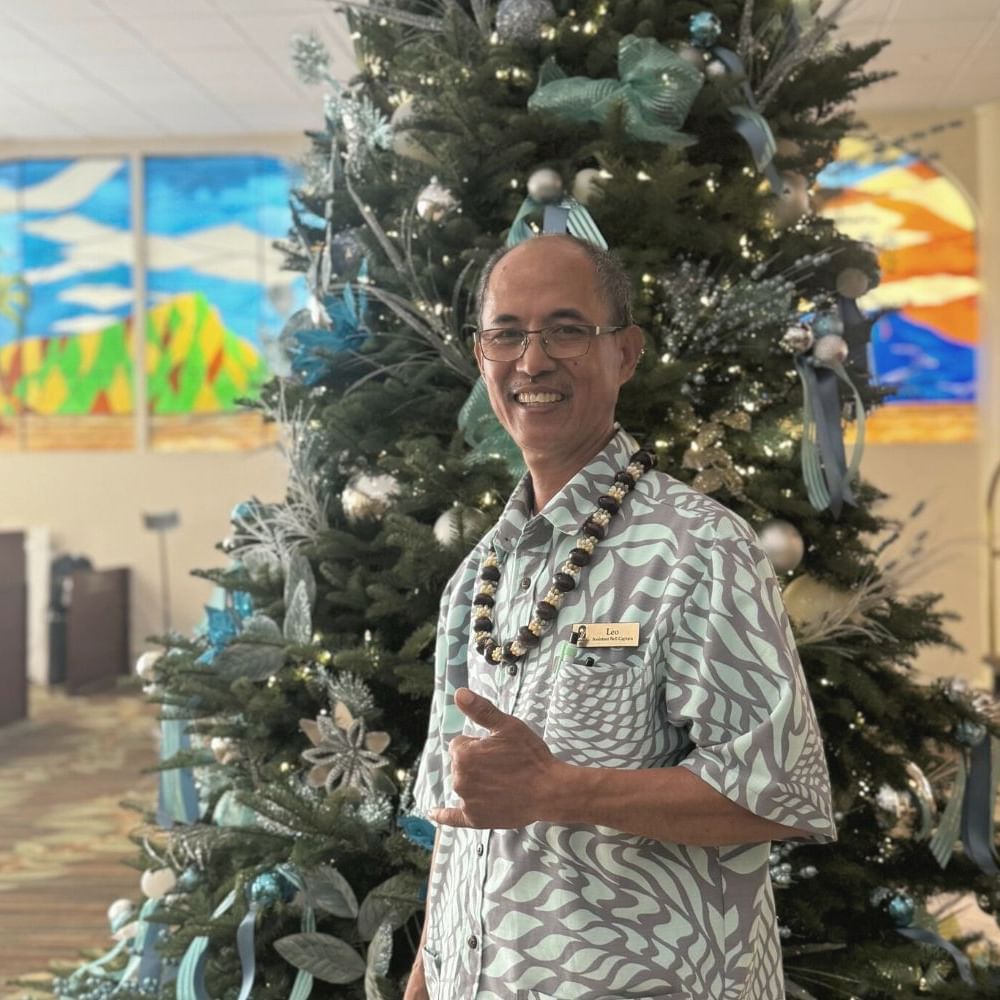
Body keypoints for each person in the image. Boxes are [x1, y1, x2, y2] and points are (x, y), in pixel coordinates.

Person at [405, 234, 836, 1000]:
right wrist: (424, 976)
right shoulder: (475, 578)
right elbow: (459, 819)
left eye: (566, 330)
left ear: (626, 353)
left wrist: (557, 790)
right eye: (506, 333)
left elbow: (781, 792)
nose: (532, 361)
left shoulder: (702, 549)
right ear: (482, 357)